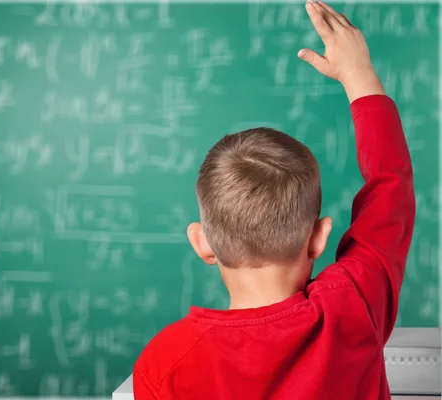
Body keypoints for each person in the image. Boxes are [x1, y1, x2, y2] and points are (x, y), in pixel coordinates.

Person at [133, 1, 416, 399]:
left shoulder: (167, 361)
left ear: (202, 242)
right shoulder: (354, 303)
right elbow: (392, 187)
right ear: (319, 238)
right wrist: (357, 73)